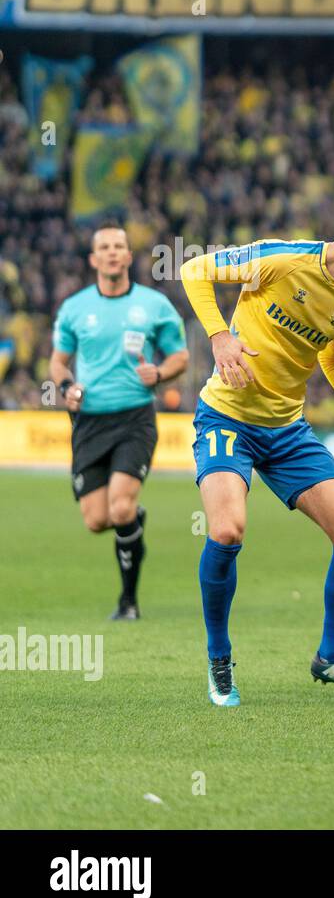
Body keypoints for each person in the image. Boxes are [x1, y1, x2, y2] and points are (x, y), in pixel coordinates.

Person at [179, 190, 334, 707]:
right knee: (226, 529)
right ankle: (219, 658)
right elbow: (194, 270)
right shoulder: (280, 259)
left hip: (287, 431)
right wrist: (219, 336)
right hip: (227, 418)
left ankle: (332, 656)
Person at [50, 225, 190, 620]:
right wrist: (66, 386)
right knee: (98, 520)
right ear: (94, 260)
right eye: (104, 248)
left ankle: (128, 603)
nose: (113, 253)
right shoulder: (75, 308)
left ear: (129, 257)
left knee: (122, 508)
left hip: (135, 419)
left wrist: (160, 374)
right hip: (89, 422)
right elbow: (58, 361)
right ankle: (132, 521)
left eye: (119, 247)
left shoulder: (154, 305)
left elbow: (179, 356)